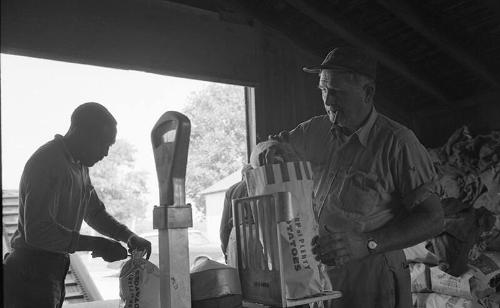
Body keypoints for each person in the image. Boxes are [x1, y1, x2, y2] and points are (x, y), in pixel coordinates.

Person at [263, 47, 444, 308]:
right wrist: (266, 152)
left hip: (372, 281)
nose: (328, 100)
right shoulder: (315, 129)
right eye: (323, 90)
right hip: (323, 279)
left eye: (336, 91)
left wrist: (367, 243)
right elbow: (271, 145)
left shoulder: (398, 143)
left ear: (367, 92)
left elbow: (434, 219)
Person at [3, 102, 152, 308]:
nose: (106, 153)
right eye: (104, 144)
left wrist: (128, 236)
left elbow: (95, 213)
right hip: (28, 275)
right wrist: (98, 244)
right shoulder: (47, 162)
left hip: (51, 271)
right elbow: (38, 232)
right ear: (82, 133)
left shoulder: (80, 167)